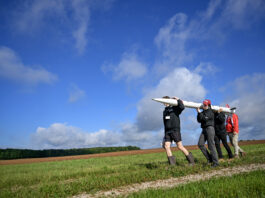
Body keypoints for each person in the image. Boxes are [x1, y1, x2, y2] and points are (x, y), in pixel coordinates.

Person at [162, 96, 195, 166]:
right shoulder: (164, 111)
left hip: (175, 130)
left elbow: (182, 107)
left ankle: (191, 162)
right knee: (166, 146)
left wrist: (178, 99)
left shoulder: (175, 108)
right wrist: (164, 136)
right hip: (167, 132)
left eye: (165, 101)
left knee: (180, 146)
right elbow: (165, 123)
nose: (164, 102)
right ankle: (172, 165)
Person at [197, 99, 219, 167]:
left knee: (211, 146)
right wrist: (198, 113)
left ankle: (216, 163)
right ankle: (209, 159)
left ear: (208, 105)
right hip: (204, 129)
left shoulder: (211, 112)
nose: (204, 106)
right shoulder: (203, 112)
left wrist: (200, 113)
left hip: (210, 128)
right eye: (203, 104)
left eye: (205, 105)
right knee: (200, 144)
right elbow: (199, 120)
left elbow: (204, 118)